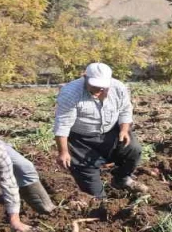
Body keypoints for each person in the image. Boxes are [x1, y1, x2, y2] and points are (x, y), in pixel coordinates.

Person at [53, 62, 143, 200]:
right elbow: (62, 125)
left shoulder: (118, 88)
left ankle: (121, 179)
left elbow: (125, 110)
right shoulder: (70, 93)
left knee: (133, 149)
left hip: (110, 131)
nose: (99, 89)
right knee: (93, 191)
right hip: (80, 140)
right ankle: (100, 202)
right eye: (95, 85)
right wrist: (63, 152)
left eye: (103, 86)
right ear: (84, 77)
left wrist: (124, 130)